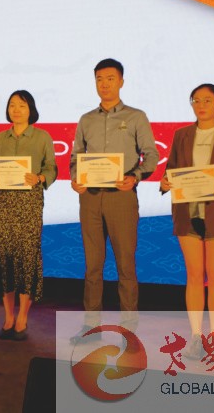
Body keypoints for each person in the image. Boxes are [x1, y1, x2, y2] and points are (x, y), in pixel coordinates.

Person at [159, 84, 214, 358]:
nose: (201, 105)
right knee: (194, 276)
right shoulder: (181, 135)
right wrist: (165, 182)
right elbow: (171, 169)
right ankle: (196, 337)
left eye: (207, 100)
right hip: (187, 213)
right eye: (196, 100)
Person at [69, 58, 158, 327]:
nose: (104, 84)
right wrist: (76, 178)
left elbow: (151, 155)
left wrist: (135, 177)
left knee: (125, 265)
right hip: (90, 198)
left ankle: (129, 326)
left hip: (122, 197)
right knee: (92, 266)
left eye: (110, 79)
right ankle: (91, 325)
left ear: (121, 81)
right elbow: (75, 157)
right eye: (99, 79)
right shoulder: (86, 119)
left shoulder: (135, 116)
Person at [0, 90, 56, 341]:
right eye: (12, 105)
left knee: (26, 259)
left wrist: (39, 177)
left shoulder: (42, 137)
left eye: (22, 105)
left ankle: (23, 318)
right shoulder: (0, 138)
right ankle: (8, 317)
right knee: (4, 259)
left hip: (30, 203)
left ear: (31, 109)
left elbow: (52, 168)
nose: (16, 110)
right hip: (4, 203)